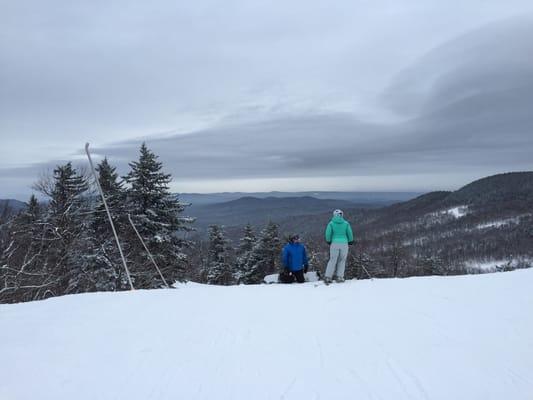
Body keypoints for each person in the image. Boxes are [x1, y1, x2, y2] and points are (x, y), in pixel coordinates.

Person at [324, 209, 353, 284]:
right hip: (344, 244)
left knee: (332, 260)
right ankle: (339, 277)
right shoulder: (346, 223)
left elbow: (328, 234)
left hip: (334, 243)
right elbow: (349, 233)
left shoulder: (331, 223)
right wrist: (350, 241)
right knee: (342, 260)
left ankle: (328, 277)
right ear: (342, 215)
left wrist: (328, 240)